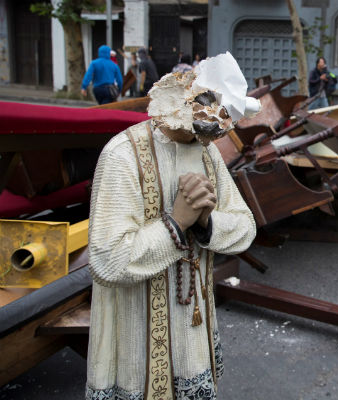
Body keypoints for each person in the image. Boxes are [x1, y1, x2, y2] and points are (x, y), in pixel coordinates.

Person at [85, 53, 260, 399]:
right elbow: (106, 261)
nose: (204, 143)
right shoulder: (122, 154)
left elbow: (245, 227)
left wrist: (207, 223)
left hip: (193, 331)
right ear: (180, 101)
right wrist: (176, 224)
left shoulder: (206, 149)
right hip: (138, 336)